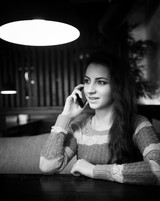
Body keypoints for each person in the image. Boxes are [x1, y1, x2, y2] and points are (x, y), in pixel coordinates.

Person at [39, 50, 160, 185]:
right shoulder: (79, 129)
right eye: (87, 81)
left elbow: (157, 168)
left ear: (117, 87)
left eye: (101, 82)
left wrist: (94, 170)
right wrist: (65, 116)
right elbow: (47, 166)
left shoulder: (138, 124)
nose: (90, 90)